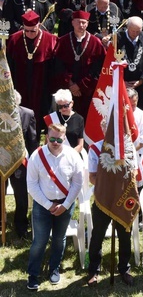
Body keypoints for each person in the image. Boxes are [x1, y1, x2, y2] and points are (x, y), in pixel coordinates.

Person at [26, 122, 83, 291]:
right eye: (52, 139)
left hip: (65, 204)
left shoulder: (73, 155)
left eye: (59, 139)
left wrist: (65, 206)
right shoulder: (36, 156)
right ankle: (33, 274)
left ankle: (54, 269)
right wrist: (49, 205)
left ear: (64, 138)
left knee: (59, 239)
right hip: (43, 204)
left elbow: (77, 183)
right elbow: (32, 185)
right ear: (46, 137)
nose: (55, 142)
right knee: (40, 241)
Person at [87, 119, 136, 287]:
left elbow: (136, 174)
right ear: (103, 130)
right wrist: (109, 187)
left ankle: (124, 268)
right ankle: (94, 269)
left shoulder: (129, 149)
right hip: (103, 199)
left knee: (125, 234)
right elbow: (92, 177)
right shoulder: (95, 148)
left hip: (123, 200)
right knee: (98, 235)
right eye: (108, 129)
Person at [6, 10, 57, 139]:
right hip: (20, 84)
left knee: (41, 113)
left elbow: (55, 68)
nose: (29, 34)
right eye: (26, 31)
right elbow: (9, 65)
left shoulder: (50, 40)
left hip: (42, 87)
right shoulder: (14, 39)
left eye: (32, 31)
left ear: (38, 25)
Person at [53, 10, 106, 119]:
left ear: (87, 23)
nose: (81, 25)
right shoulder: (63, 41)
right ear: (72, 22)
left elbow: (97, 68)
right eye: (78, 22)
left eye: (84, 22)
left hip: (87, 89)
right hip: (67, 88)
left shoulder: (95, 42)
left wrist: (80, 85)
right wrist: (70, 84)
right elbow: (58, 65)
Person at [1, 90, 38, 239]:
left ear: (17, 102)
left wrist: (35, 162)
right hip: (1, 161)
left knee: (21, 197)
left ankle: (21, 226)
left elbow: (33, 139)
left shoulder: (27, 114)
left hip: (19, 163)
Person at [115, 16, 143, 112]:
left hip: (139, 84)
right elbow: (111, 62)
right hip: (121, 82)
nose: (136, 34)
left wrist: (141, 80)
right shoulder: (117, 39)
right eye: (133, 31)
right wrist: (120, 81)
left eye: (138, 31)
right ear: (127, 28)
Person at [127, 88, 143, 191]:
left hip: (136, 155)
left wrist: (129, 152)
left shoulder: (142, 116)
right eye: (129, 104)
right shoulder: (118, 115)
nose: (132, 107)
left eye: (134, 104)